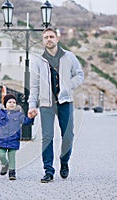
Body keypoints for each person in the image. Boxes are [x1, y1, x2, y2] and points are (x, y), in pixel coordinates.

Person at [28, 28, 84, 183]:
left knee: (68, 136)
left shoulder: (69, 56)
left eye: (51, 36)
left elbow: (79, 74)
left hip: (65, 101)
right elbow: (34, 86)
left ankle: (64, 161)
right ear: (43, 40)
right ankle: (48, 170)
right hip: (46, 104)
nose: (49, 39)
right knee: (47, 137)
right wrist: (32, 106)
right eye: (45, 37)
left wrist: (68, 85)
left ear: (57, 39)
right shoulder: (38, 60)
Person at [0, 94, 37, 180]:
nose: (12, 104)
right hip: (1, 140)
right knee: (1, 155)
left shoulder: (19, 115)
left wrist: (31, 117)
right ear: (5, 104)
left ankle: (12, 172)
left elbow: (25, 121)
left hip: (13, 139)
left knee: (12, 156)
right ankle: (5, 164)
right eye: (9, 102)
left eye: (14, 102)